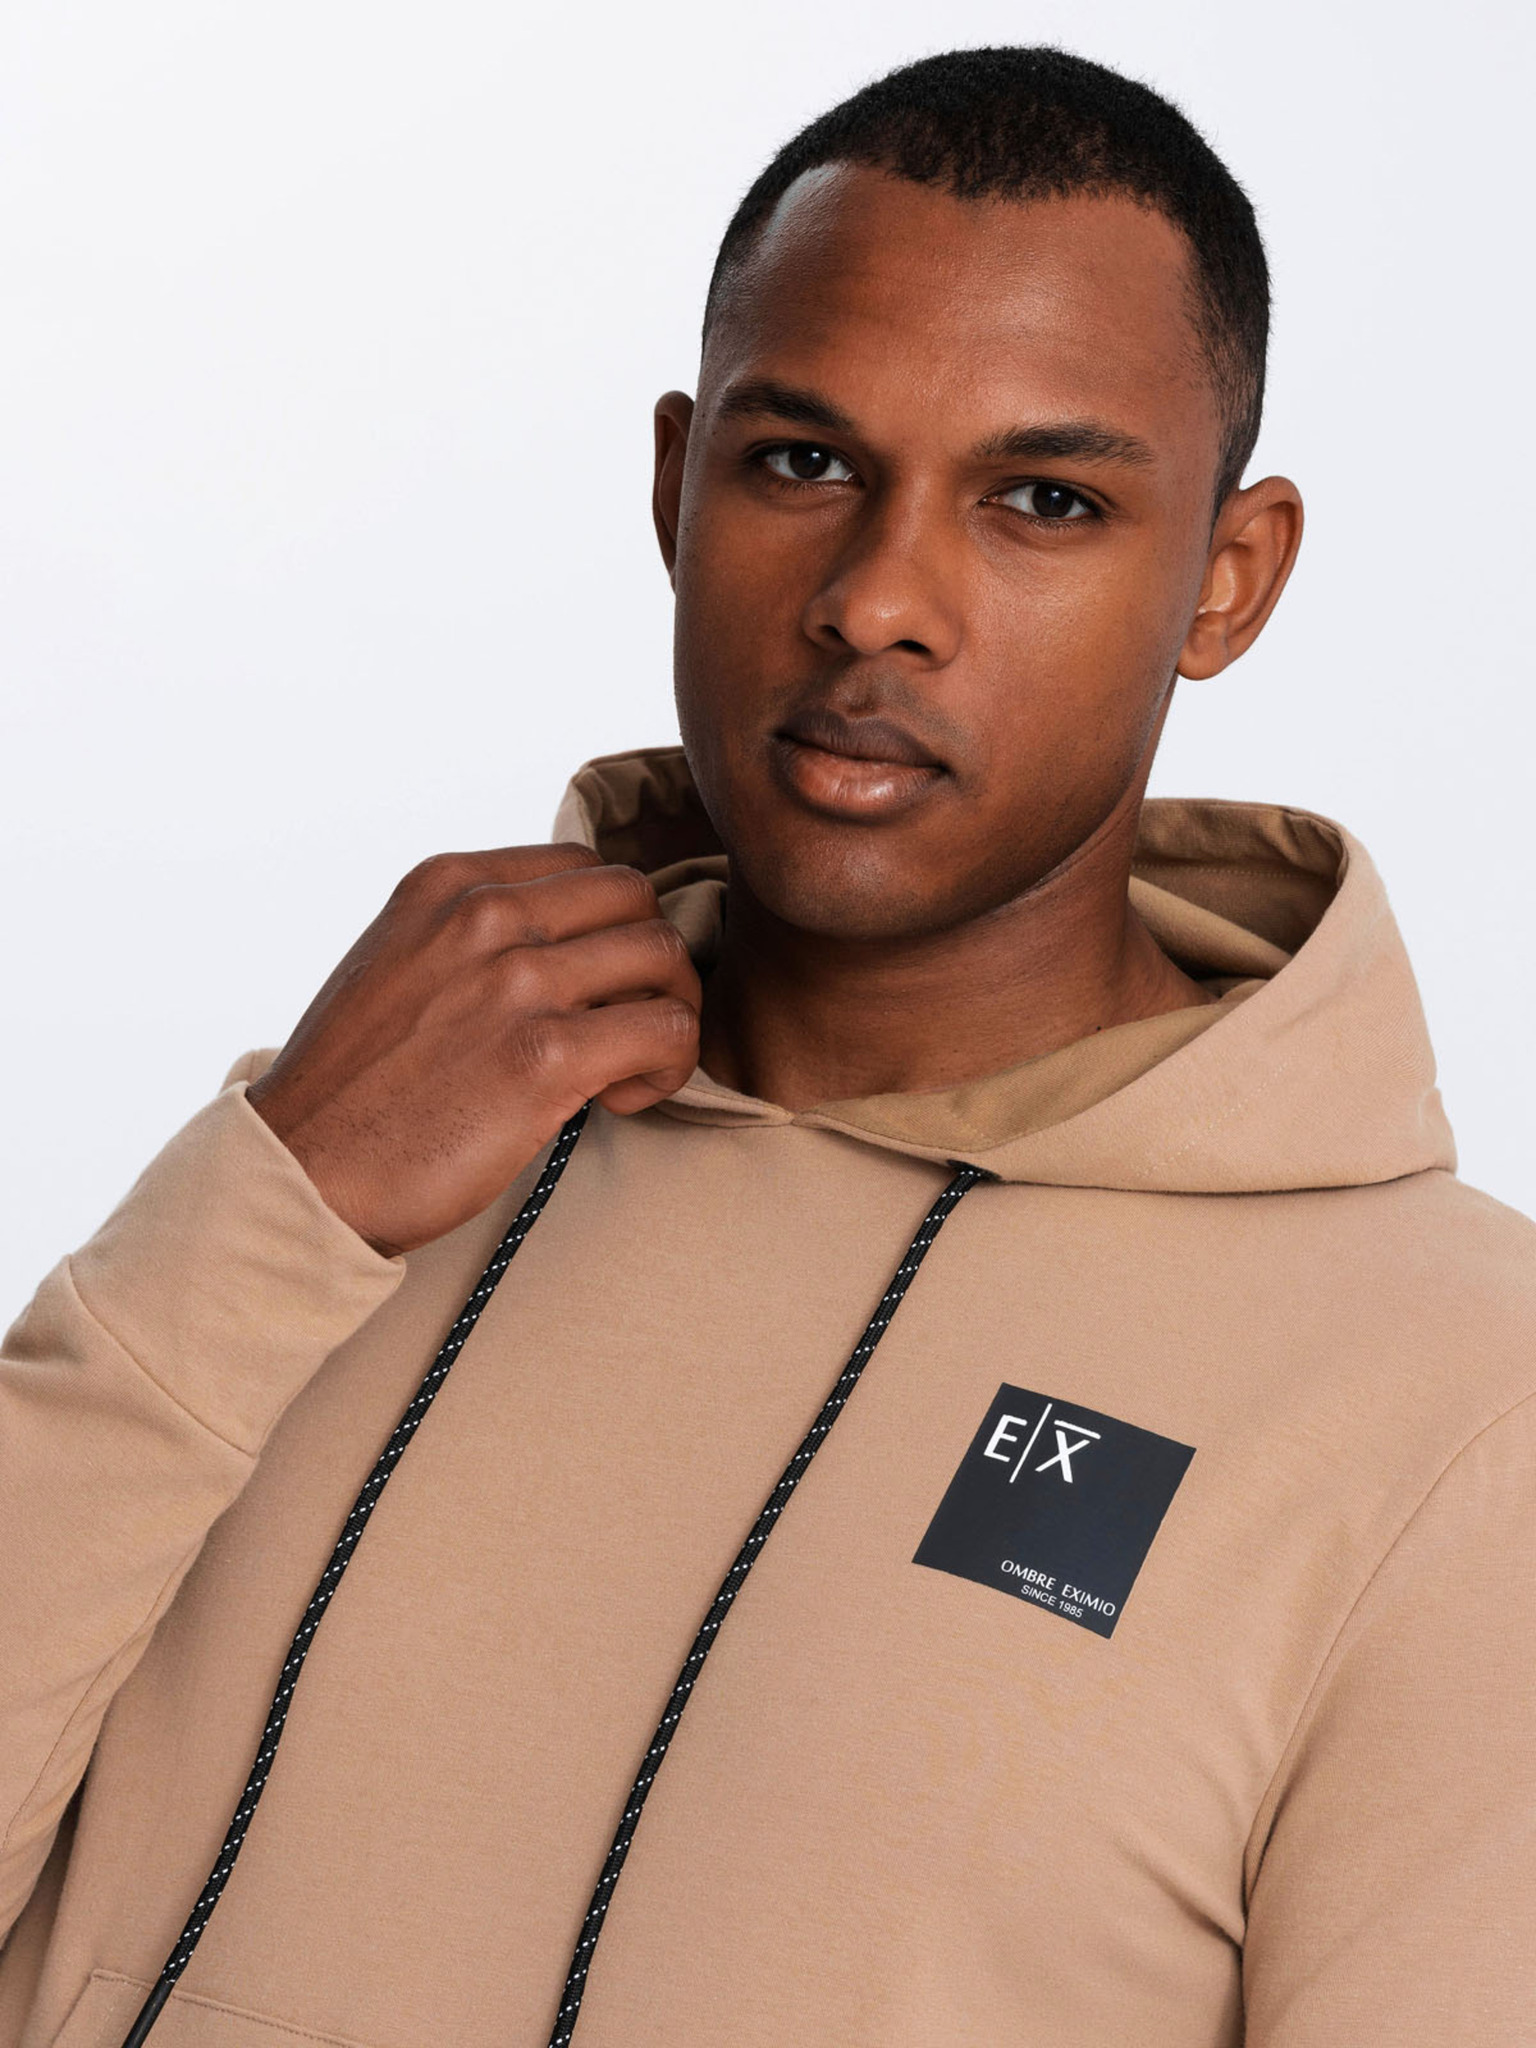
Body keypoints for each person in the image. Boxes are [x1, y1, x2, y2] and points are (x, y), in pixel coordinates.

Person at [3, 41, 1532, 2048]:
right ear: (676, 482)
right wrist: (270, 1201)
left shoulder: (1457, 1394)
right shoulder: (362, 1144)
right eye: (804, 463)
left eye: (1044, 500)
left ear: (1225, 583)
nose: (878, 601)